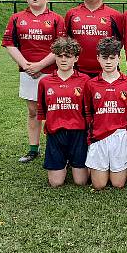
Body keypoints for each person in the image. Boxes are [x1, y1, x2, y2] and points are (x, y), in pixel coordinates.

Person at [2, 0, 64, 163]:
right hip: (27, 71)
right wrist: (26, 65)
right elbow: (9, 44)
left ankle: (58, 147)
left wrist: (40, 65)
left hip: (51, 71)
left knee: (55, 110)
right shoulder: (16, 18)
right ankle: (33, 149)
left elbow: (60, 47)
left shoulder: (56, 19)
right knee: (33, 111)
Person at [83, 37, 127, 190]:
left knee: (118, 184)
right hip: (98, 137)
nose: (108, 62)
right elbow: (88, 112)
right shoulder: (91, 84)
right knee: (99, 185)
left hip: (119, 136)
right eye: (104, 58)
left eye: (112, 58)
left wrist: (125, 131)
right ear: (98, 58)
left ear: (119, 58)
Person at [36, 37, 89, 187]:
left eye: (68, 56)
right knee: (56, 183)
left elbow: (88, 111)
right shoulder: (45, 82)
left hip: (78, 133)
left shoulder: (85, 81)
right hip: (55, 133)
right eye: (59, 56)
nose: (63, 60)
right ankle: (62, 161)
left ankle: (75, 161)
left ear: (76, 58)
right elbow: (42, 111)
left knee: (81, 182)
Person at [64, 0, 122, 77]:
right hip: (77, 70)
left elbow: (121, 41)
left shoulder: (115, 15)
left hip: (107, 71)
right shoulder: (71, 14)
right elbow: (66, 40)